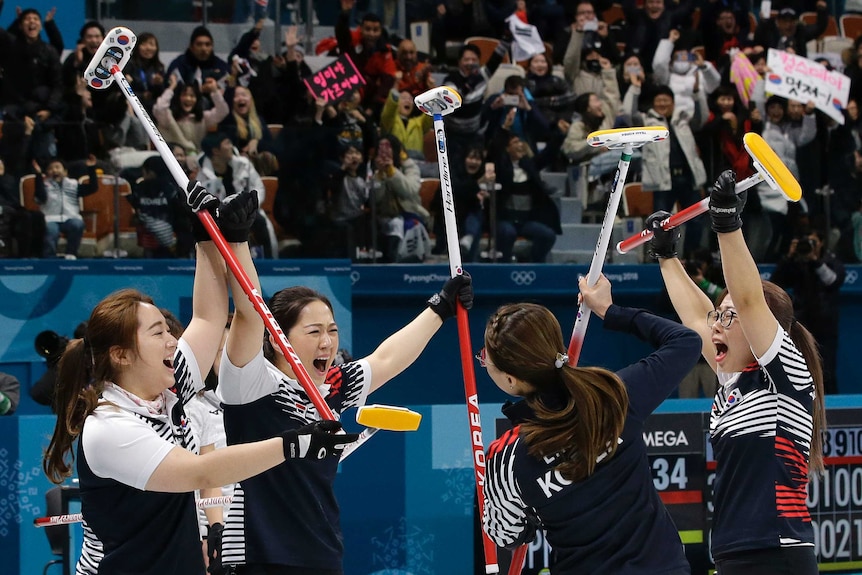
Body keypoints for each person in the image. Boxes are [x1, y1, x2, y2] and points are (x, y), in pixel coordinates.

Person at [42, 187, 357, 575]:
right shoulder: (109, 427)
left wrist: (207, 235)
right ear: (120, 354)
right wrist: (294, 443)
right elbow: (200, 472)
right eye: (158, 333)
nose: (174, 340)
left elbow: (209, 317)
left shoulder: (172, 385)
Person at [216, 250, 474, 573]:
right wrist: (239, 241)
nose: (327, 342)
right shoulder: (251, 385)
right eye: (314, 332)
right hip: (257, 556)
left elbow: (386, 360)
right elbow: (248, 313)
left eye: (332, 330)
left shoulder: (335, 386)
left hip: (321, 554)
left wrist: (440, 308)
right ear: (278, 339)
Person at [649, 169, 826, 575]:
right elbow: (696, 317)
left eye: (727, 317)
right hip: (732, 555)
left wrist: (727, 223)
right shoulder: (732, 382)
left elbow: (748, 301)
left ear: (764, 328)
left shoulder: (788, 377)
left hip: (777, 553)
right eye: (720, 316)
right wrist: (666, 256)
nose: (716, 325)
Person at [481, 273, 701, 573]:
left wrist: (531, 512)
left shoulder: (506, 457)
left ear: (510, 379)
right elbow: (686, 342)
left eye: (485, 359)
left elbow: (505, 533)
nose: (484, 362)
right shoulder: (613, 395)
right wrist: (609, 311)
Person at [770, 228, 846, 395]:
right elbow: (774, 284)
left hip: (825, 326)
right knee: (799, 368)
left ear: (821, 243)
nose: (809, 246)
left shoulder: (830, 260)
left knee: (827, 371)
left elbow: (832, 281)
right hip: (802, 325)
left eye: (813, 242)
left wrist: (814, 261)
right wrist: (789, 257)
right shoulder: (797, 262)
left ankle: (830, 409)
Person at [33, 155, 98, 259]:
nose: (54, 170)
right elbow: (40, 197)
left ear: (65, 171)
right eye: (51, 168)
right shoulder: (44, 185)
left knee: (77, 224)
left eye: (57, 167)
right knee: (51, 230)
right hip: (50, 218)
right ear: (47, 173)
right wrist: (38, 175)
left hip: (71, 217)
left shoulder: (73, 184)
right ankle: (49, 258)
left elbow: (93, 188)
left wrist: (91, 168)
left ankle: (71, 254)